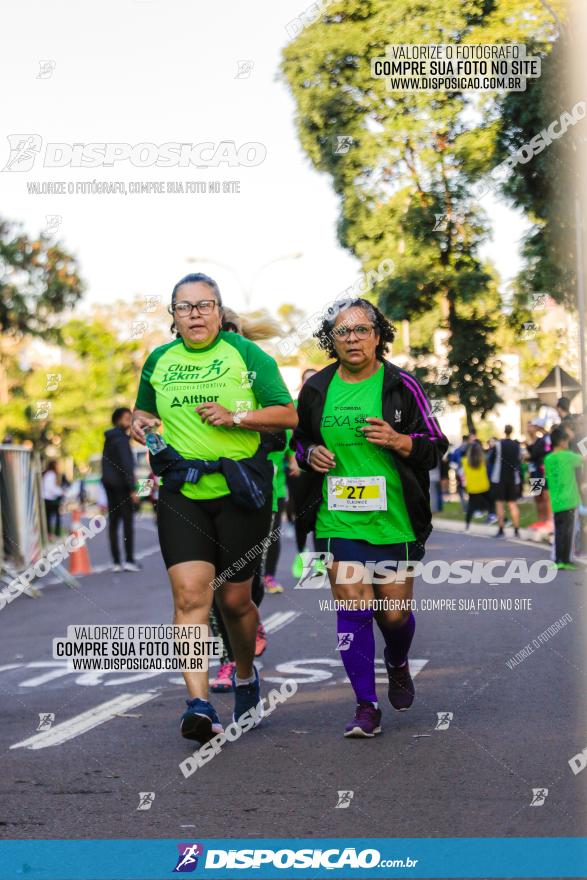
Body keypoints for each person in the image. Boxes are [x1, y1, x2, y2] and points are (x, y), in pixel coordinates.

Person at [131, 273, 297, 744]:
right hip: (183, 488)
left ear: (220, 312)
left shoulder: (246, 355)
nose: (196, 314)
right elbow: (144, 413)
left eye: (205, 305)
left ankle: (245, 677)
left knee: (234, 601)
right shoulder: (159, 360)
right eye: (185, 307)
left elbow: (288, 414)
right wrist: (143, 425)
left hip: (240, 489)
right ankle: (198, 704)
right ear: (173, 316)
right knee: (189, 597)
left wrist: (236, 417)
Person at [292, 297, 448, 737]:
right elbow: (300, 443)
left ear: (379, 336)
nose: (353, 338)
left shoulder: (402, 385)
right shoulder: (317, 388)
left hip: (394, 518)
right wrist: (311, 455)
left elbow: (436, 446)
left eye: (362, 329)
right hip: (339, 518)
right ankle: (366, 704)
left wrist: (400, 441)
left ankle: (397, 661)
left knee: (394, 615)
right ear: (332, 340)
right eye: (343, 331)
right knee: (354, 605)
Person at [101, 407, 141, 573]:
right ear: (118, 420)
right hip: (123, 487)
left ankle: (116, 561)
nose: (129, 421)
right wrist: (133, 489)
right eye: (126, 418)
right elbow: (127, 465)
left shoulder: (109, 439)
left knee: (113, 523)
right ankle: (129, 560)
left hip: (109, 486)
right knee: (127, 524)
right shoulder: (122, 440)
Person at [544, 426, 584, 569]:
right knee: (568, 532)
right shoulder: (567, 456)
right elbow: (584, 459)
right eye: (566, 441)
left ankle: (558, 560)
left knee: (559, 531)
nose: (567, 444)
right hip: (569, 501)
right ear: (561, 442)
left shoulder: (548, 458)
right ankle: (565, 561)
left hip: (556, 501)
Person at [488, 425, 522, 538]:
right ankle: (516, 530)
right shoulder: (517, 445)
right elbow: (519, 460)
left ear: (504, 431)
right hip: (513, 477)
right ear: (512, 432)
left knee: (499, 503)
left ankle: (501, 529)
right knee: (513, 504)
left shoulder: (498, 444)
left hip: (499, 477)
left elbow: (490, 460)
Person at [525, 421, 552, 529]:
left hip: (543, 471)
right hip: (534, 472)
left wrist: (528, 457)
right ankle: (541, 521)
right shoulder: (530, 442)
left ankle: (549, 521)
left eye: (531, 426)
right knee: (537, 497)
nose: (529, 428)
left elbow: (536, 454)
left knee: (545, 496)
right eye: (528, 426)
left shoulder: (543, 440)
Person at [462, 441, 492, 529]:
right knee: (489, 504)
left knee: (471, 507)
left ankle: (467, 525)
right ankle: (496, 517)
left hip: (472, 487)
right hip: (484, 486)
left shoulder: (464, 461)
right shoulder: (483, 460)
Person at [42, 461, 63, 540]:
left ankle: (49, 534)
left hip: (46, 498)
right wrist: (61, 492)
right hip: (50, 499)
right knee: (55, 517)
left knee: (48, 517)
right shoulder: (52, 474)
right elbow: (51, 488)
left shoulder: (47, 474)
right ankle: (53, 534)